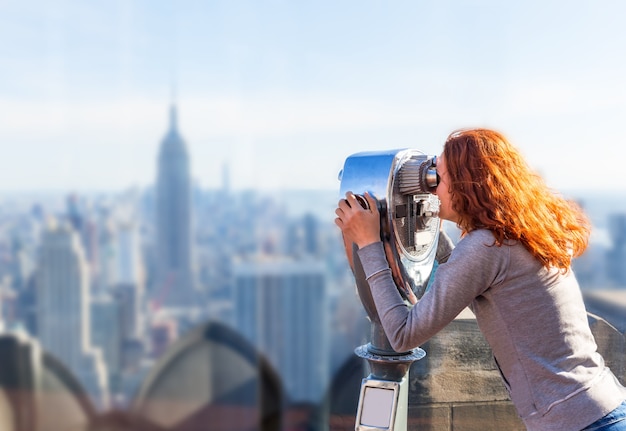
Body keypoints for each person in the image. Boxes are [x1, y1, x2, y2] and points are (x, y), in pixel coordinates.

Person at [335, 128, 626, 431]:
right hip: (603, 407)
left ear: (467, 186)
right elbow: (462, 274)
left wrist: (368, 244)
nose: (432, 190)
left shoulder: (485, 247)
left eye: (441, 178)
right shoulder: (514, 234)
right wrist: (424, 223)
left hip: (579, 423)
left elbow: (403, 334)